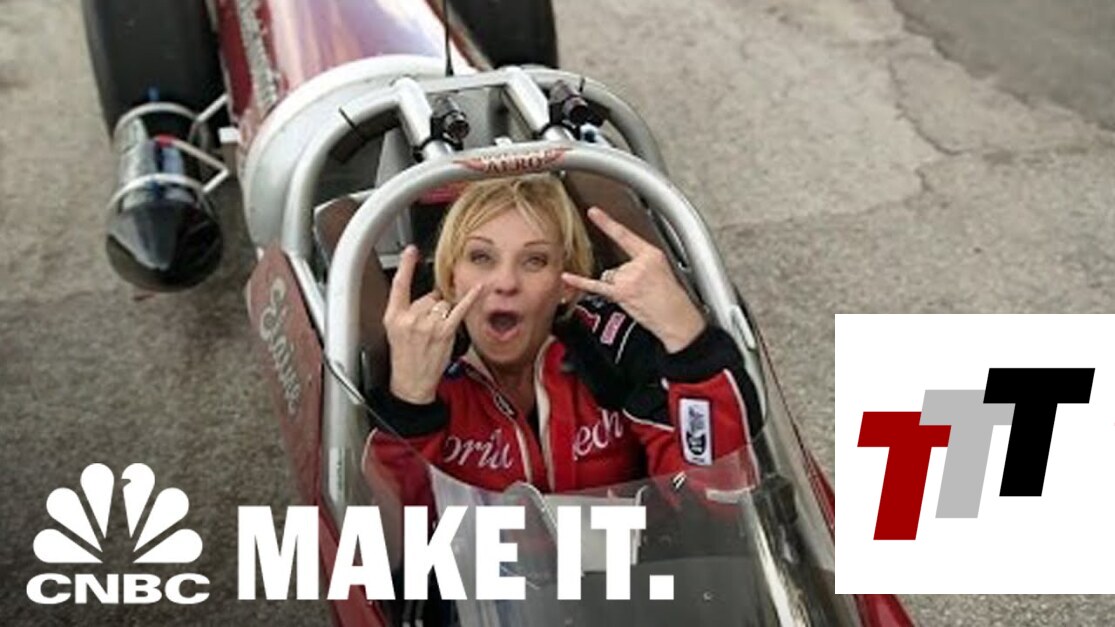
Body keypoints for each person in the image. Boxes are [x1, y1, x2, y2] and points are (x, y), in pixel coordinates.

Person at [365, 175, 760, 494]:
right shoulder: (420, 363)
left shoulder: (615, 349)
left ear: (566, 284)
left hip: (636, 567)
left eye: (534, 260)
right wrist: (410, 403)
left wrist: (689, 343)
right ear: (451, 278)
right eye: (482, 257)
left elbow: (716, 502)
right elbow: (386, 547)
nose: (505, 282)